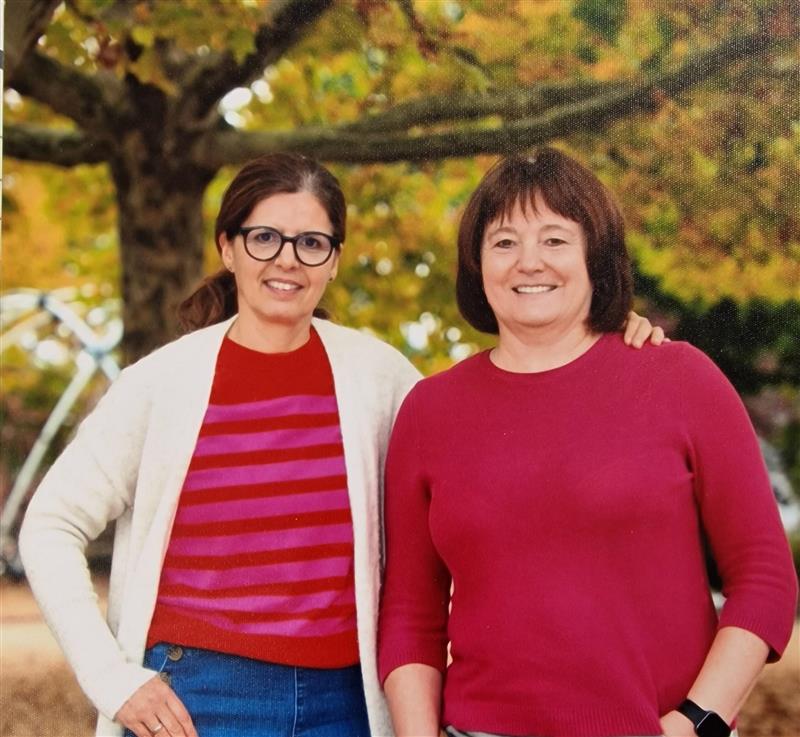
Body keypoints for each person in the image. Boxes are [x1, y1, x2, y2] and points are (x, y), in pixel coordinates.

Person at [20, 152, 660, 737]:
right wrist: (110, 678)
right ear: (228, 248)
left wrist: (596, 334)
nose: (287, 260)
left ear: (334, 259)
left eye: (311, 243)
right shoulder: (161, 383)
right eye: (264, 238)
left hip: (348, 701)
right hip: (198, 696)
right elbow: (50, 525)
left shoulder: (378, 379)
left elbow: (486, 428)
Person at [377, 148, 798, 737]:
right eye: (504, 242)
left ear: (594, 258)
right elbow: (410, 615)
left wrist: (696, 722)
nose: (528, 262)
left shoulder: (680, 380)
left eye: (554, 239)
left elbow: (764, 578)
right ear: (476, 264)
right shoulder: (429, 410)